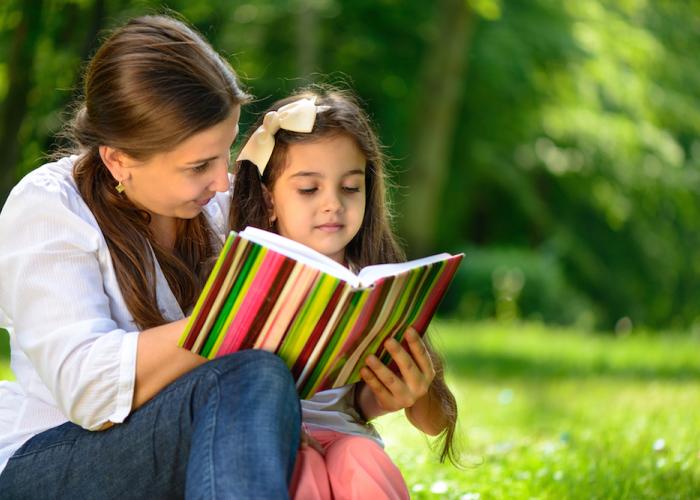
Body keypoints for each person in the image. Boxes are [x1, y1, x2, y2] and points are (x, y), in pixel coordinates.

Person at [0, 15, 302, 498]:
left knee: (256, 379)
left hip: (172, 440)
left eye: (224, 153)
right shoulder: (49, 207)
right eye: (199, 165)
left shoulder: (216, 210)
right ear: (118, 159)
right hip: (48, 461)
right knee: (250, 375)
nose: (222, 181)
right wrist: (233, 319)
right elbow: (87, 389)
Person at [230, 89, 460, 499]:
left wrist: (415, 393)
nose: (332, 204)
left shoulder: (377, 282)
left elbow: (435, 421)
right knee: (304, 472)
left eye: (350, 188)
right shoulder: (241, 275)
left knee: (360, 459)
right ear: (269, 201)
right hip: (268, 440)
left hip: (347, 439)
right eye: (308, 190)